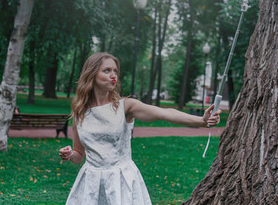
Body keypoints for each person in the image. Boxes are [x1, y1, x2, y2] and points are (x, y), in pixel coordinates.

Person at [59, 53, 221, 205]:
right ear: (92, 74)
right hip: (90, 184)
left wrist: (201, 120)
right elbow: (79, 155)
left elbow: (164, 113)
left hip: (121, 181)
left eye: (115, 71)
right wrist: (69, 154)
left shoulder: (126, 106)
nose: (113, 75)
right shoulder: (80, 112)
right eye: (107, 70)